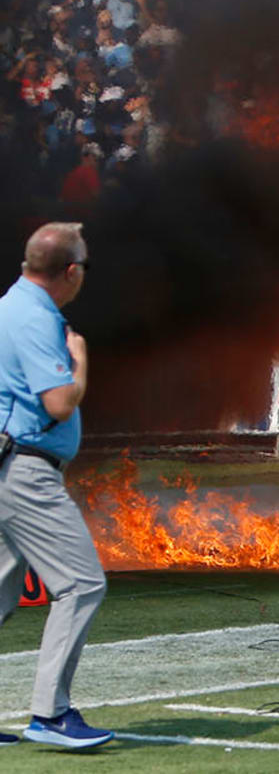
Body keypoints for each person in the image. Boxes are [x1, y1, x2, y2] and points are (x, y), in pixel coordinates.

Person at [0, 223, 112, 749]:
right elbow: (59, 403)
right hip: (24, 469)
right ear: (71, 272)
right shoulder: (35, 317)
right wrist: (80, 363)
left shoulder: (10, 304)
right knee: (81, 583)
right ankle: (51, 714)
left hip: (8, 464)